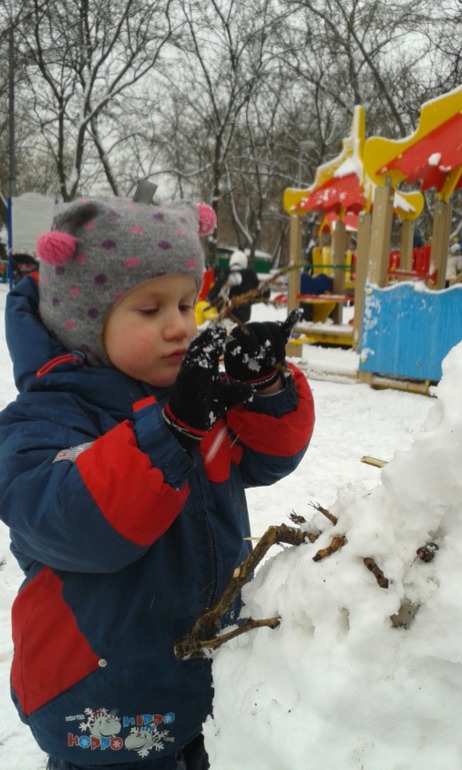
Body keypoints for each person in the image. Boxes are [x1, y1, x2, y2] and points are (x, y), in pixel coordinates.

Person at [0, 196, 315, 770]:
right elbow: (80, 524)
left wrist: (264, 387)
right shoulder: (40, 423)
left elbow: (268, 459)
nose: (180, 325)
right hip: (102, 700)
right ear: (85, 324)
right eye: (149, 310)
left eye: (185, 303)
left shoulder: (190, 400)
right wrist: (171, 431)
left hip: (204, 677)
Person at [206, 249, 268, 323]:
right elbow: (265, 293)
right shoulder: (250, 276)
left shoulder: (225, 275)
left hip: (225, 315)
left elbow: (211, 295)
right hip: (243, 317)